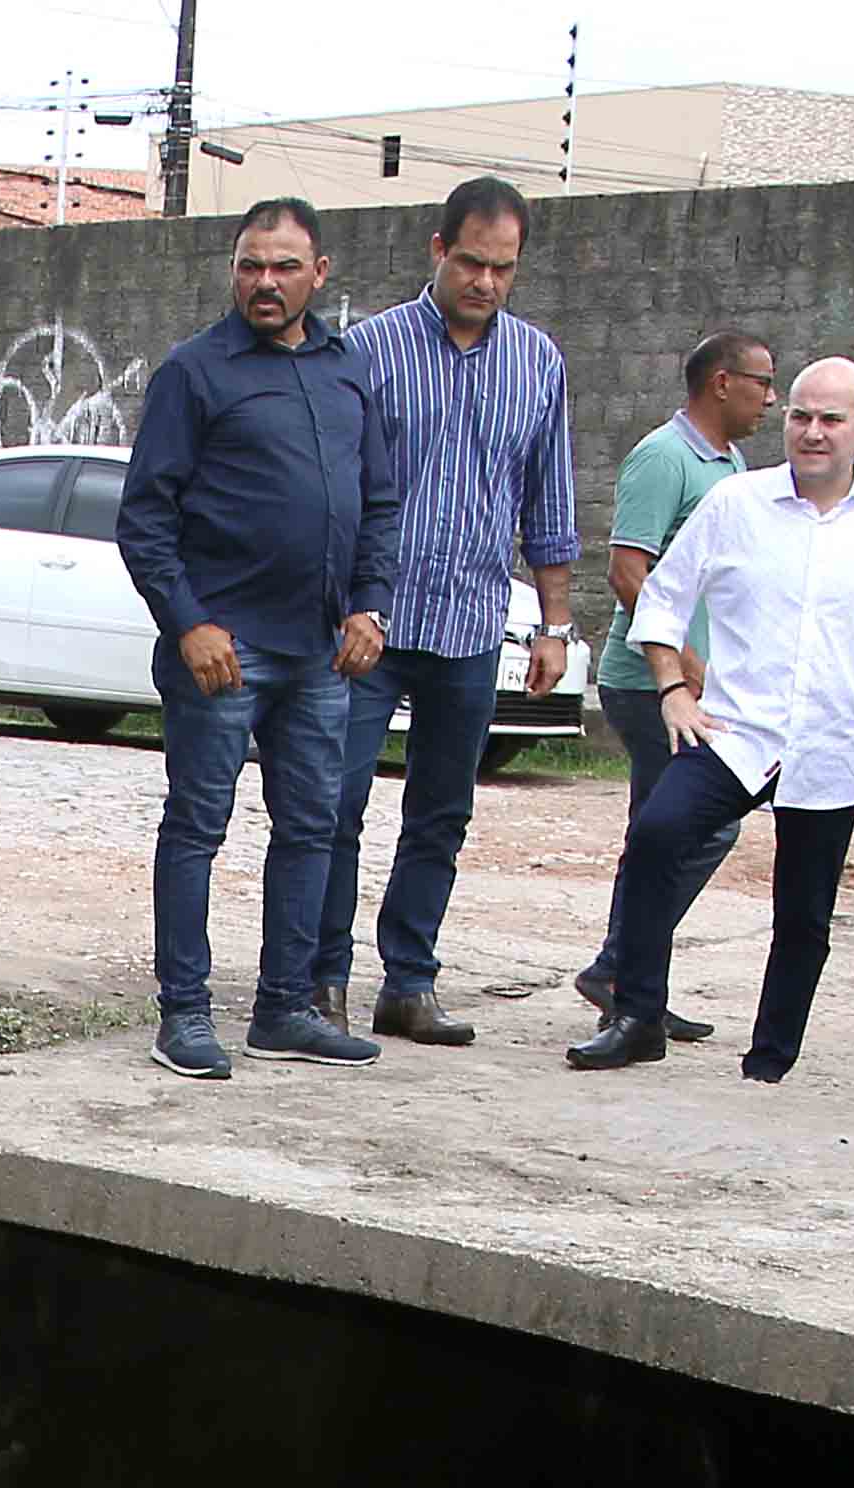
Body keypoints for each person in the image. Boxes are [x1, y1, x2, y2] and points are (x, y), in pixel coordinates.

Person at [577, 358, 854, 1081]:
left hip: (836, 742)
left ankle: (770, 1060)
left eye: (831, 419)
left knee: (804, 911)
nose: (812, 432)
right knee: (658, 834)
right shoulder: (736, 503)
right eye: (800, 415)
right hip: (735, 731)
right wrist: (672, 688)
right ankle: (636, 1016)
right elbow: (662, 598)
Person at [115, 197, 405, 1078]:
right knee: (198, 825)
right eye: (250, 265)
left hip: (322, 650)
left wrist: (371, 604)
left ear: (320, 276)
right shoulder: (195, 373)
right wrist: (190, 621)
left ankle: (285, 1008)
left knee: (312, 825)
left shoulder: (346, 372)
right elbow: (144, 517)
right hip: (224, 652)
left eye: (284, 267)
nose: (265, 282)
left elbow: (380, 503)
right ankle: (186, 1014)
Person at [327, 175, 578, 1046]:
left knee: (442, 812)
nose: (485, 282)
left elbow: (548, 502)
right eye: (471, 262)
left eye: (503, 268)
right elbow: (333, 485)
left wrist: (553, 626)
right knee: (336, 802)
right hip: (373, 622)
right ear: (439, 251)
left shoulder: (538, 362)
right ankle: (322, 979)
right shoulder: (368, 350)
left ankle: (409, 981)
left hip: (473, 623)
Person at [573, 329, 776, 1043]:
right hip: (649, 683)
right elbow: (629, 570)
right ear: (722, 382)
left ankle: (629, 972)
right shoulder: (665, 457)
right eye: (762, 382)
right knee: (692, 824)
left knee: (675, 828)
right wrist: (684, 668)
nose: (771, 399)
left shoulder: (730, 461)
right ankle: (624, 970)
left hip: (701, 685)